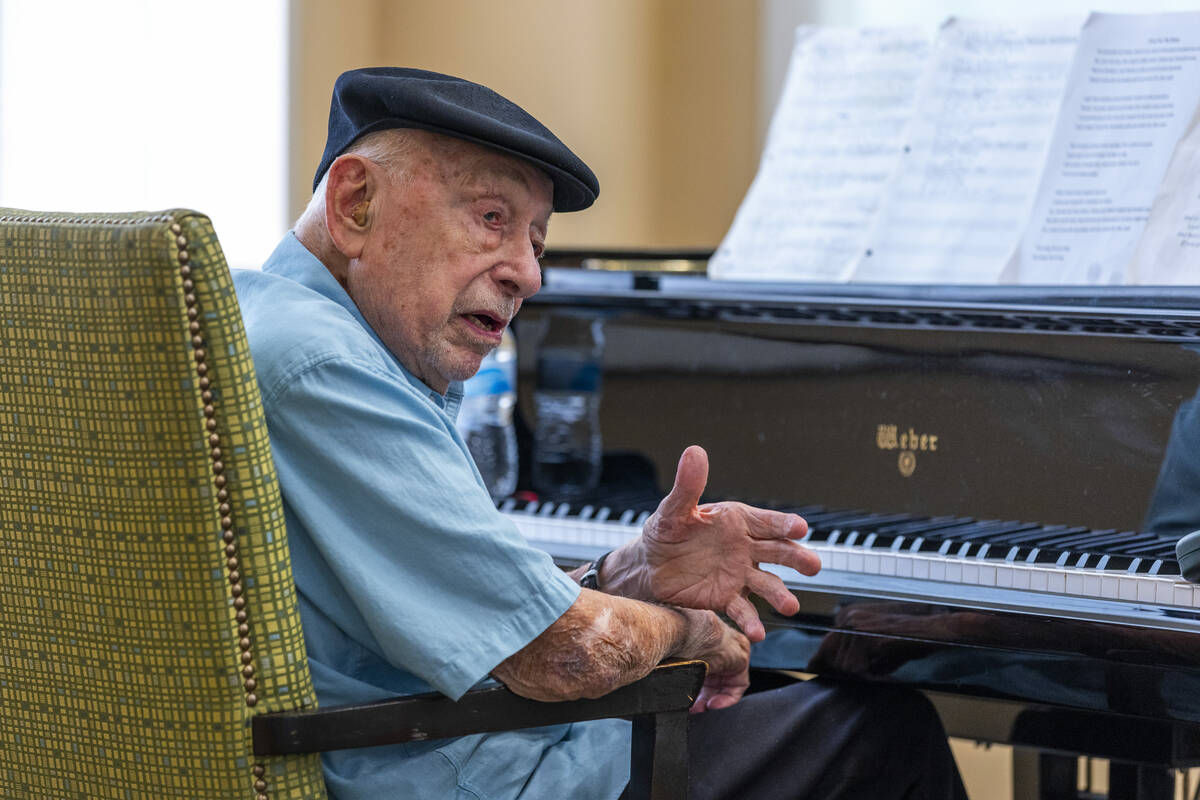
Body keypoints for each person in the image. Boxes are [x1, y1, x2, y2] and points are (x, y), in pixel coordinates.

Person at [232, 67, 968, 800]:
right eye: (491, 218)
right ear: (356, 202)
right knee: (882, 730)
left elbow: (463, 603)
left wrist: (621, 577)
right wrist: (690, 631)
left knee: (794, 699)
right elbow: (564, 656)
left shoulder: (259, 326)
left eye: (537, 242)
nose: (528, 274)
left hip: (419, 741)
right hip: (459, 775)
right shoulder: (328, 368)